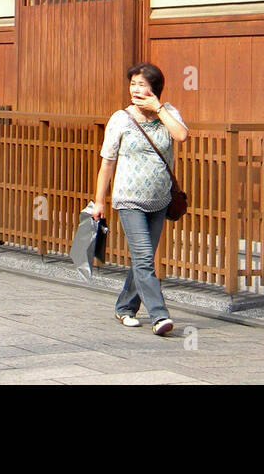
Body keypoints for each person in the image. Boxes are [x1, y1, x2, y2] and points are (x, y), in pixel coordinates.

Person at [91, 62, 189, 337]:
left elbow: (181, 136)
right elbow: (107, 163)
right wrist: (100, 201)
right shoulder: (121, 119)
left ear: (155, 89)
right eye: (132, 84)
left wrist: (158, 109)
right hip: (128, 199)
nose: (135, 89)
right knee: (145, 258)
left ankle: (124, 307)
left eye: (142, 85)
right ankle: (160, 315)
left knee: (141, 259)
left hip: (160, 199)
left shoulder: (168, 113)